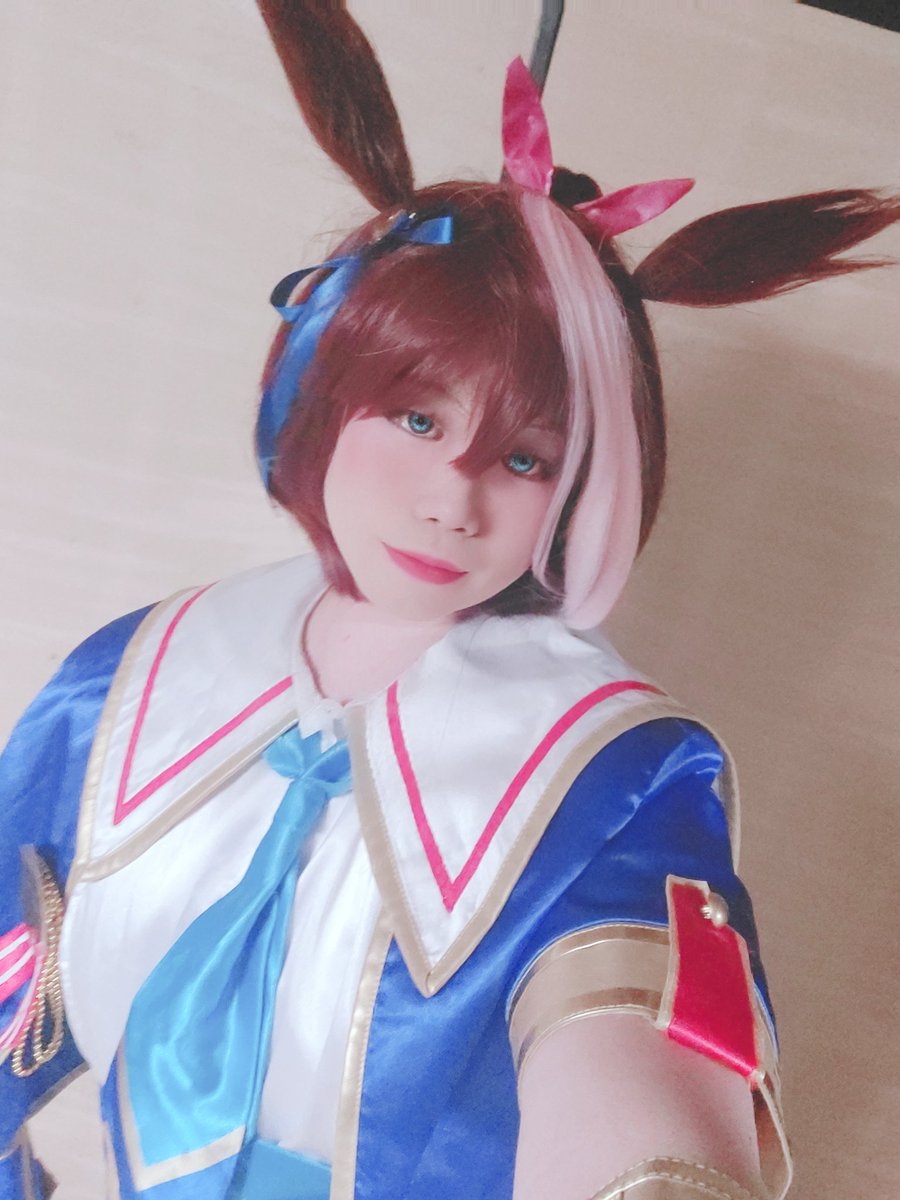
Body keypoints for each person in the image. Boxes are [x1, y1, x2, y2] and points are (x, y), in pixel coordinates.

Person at [1, 4, 898, 1198]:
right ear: (321, 387)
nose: (451, 503)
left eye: (524, 458)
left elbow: (629, 1036)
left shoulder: (617, 776)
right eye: (418, 419)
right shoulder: (122, 684)